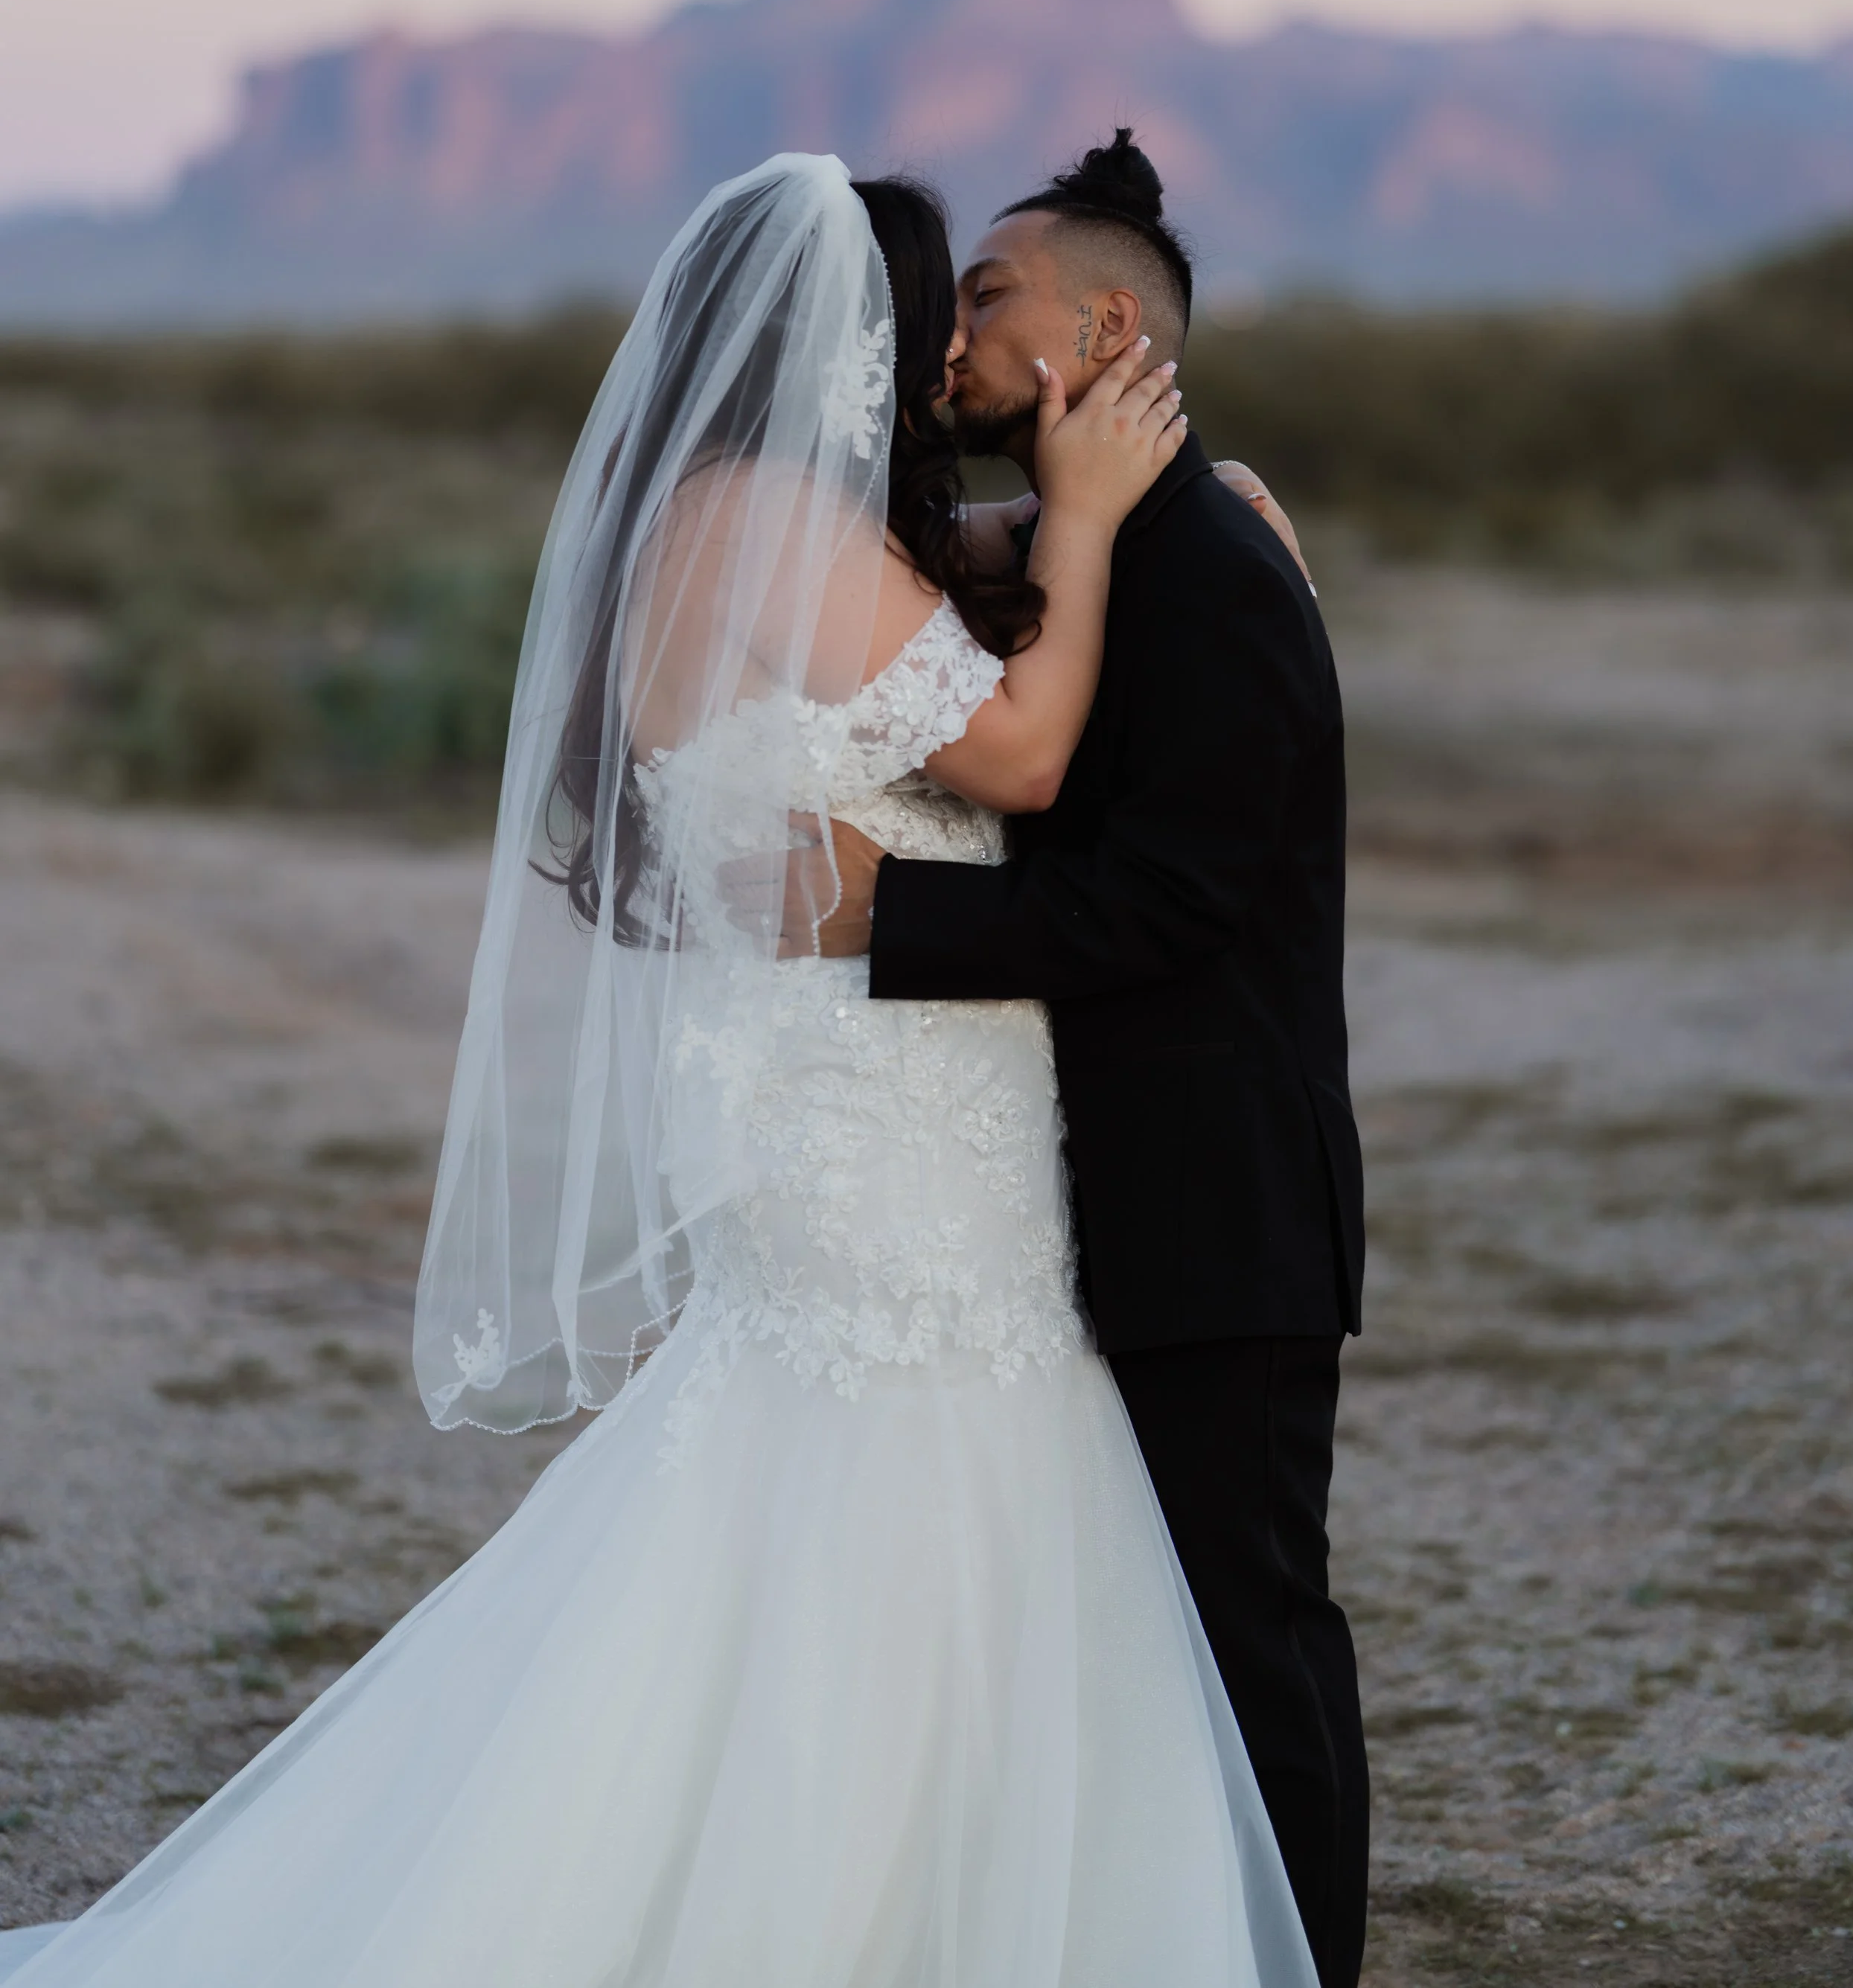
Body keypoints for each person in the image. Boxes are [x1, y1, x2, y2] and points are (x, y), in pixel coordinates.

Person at [5, 153, 1317, 1988]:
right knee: (917, 1456)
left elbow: (929, 603)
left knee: (827, 1474)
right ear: (842, 329)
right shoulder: (777, 522)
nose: (945, 347)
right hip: (880, 1109)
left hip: (839, 1088)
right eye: (931, 307)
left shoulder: (725, 518)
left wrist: (1144, 513)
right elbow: (1014, 753)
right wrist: (1093, 521)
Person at [784, 131, 1369, 1988]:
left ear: (1104, 328)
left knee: (1244, 1638)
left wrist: (888, 917)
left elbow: (1171, 905)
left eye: (984, 299)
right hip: (1083, 1187)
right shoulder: (1116, 543)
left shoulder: (1202, 570)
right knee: (1134, 1638)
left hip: (1218, 1206)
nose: (944, 338)